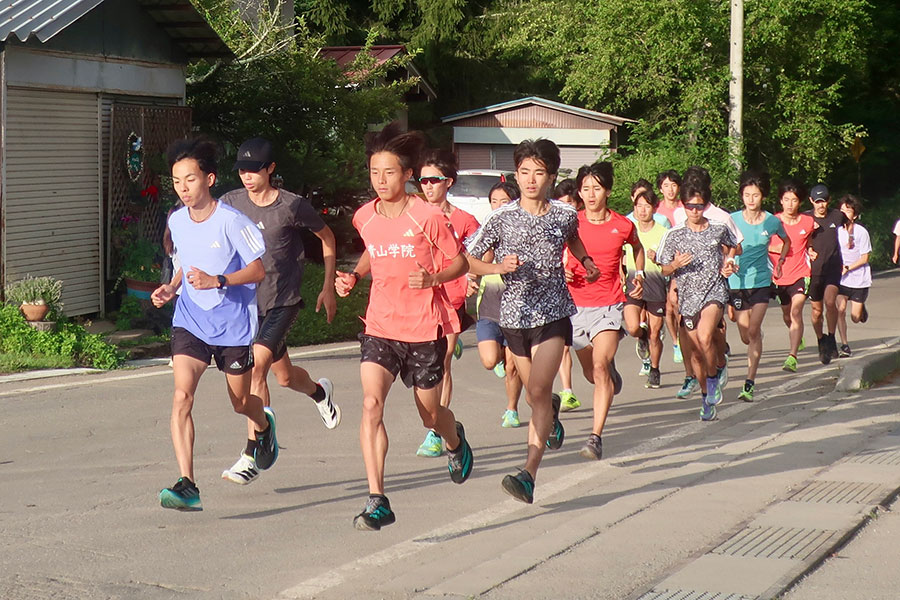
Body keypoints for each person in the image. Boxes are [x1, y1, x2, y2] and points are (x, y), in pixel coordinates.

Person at [334, 123, 474, 531]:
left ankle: (454, 439)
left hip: (424, 328)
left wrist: (433, 279)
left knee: (430, 416)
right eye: (374, 172)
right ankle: (377, 498)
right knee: (370, 404)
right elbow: (372, 253)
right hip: (380, 325)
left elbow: (460, 263)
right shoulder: (365, 216)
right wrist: (354, 277)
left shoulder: (428, 217)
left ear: (407, 174)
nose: (380, 181)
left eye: (389, 172)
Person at [465, 138, 599, 503]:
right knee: (534, 396)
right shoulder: (501, 218)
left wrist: (585, 262)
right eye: (524, 172)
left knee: (538, 390)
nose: (530, 179)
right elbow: (470, 258)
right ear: (516, 174)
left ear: (551, 176)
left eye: (538, 172)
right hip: (513, 317)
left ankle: (528, 474)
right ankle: (550, 411)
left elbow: (574, 241)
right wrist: (496, 267)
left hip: (554, 313)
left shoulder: (564, 214)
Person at [151, 138, 277, 511]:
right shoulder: (176, 220)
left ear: (209, 178)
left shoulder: (232, 221)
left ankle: (264, 425)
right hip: (190, 320)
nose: (183, 189)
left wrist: (218, 280)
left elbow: (258, 270)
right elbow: (182, 264)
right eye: (176, 182)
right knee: (181, 396)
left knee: (240, 403)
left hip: (233, 327)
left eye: (190, 180)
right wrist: (170, 289)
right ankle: (188, 484)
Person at [218, 137, 341, 485]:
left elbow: (328, 238)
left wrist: (327, 286)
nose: (247, 176)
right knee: (284, 377)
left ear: (270, 169)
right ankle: (320, 392)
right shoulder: (230, 202)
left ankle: (253, 452)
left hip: (282, 300)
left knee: (257, 365)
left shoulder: (292, 206)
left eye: (254, 170)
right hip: (246, 304)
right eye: (242, 170)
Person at [565, 161, 643, 460]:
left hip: (609, 304)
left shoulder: (622, 225)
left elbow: (637, 248)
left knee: (598, 367)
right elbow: (559, 253)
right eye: (585, 189)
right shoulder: (571, 223)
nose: (591, 194)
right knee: (591, 372)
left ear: (607, 191)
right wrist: (566, 273)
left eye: (596, 188)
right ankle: (609, 374)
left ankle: (595, 437)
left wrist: (637, 275)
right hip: (575, 306)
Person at [412, 148, 481, 456]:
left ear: (448, 182)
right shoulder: (412, 215)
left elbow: (480, 254)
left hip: (451, 295)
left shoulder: (465, 220)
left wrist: (471, 278)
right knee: (426, 366)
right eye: (423, 180)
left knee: (444, 361)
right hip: (419, 298)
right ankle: (443, 425)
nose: (427, 186)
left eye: (434, 180)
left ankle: (436, 431)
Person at [657, 173, 738, 421]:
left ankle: (713, 379)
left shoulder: (719, 228)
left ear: (706, 205)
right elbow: (662, 268)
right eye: (690, 206)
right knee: (695, 354)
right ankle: (705, 396)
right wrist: (675, 265)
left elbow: (733, 245)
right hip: (688, 297)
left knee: (705, 337)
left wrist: (730, 262)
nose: (694, 210)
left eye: (699, 206)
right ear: (683, 205)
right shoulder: (674, 235)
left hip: (714, 291)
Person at [728, 171, 790, 403]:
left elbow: (786, 241)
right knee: (745, 334)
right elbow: (724, 246)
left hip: (762, 282)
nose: (751, 199)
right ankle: (754, 335)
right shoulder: (732, 220)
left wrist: (781, 261)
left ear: (762, 196)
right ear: (742, 196)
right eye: (747, 195)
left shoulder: (772, 221)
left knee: (753, 331)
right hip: (737, 283)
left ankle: (749, 383)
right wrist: (728, 261)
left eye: (755, 195)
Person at [474, 181, 524, 427]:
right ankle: (499, 359)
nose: (497, 207)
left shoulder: (523, 231)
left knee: (514, 367)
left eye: (503, 202)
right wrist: (469, 279)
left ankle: (512, 408)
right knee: (489, 360)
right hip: (490, 308)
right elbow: (471, 260)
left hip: (516, 310)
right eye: (493, 202)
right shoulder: (485, 231)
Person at [623, 189, 669, 388]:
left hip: (656, 284)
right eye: (638, 206)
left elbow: (671, 265)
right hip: (633, 282)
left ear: (654, 208)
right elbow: (619, 256)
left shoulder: (664, 232)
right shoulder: (628, 229)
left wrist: (658, 259)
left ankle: (655, 369)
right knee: (633, 327)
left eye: (646, 206)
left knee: (655, 332)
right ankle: (640, 338)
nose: (642, 211)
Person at [768, 179, 814, 373]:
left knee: (796, 312)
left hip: (801, 273)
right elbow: (760, 244)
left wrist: (811, 250)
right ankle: (797, 335)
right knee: (787, 315)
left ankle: (792, 357)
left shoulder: (807, 221)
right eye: (786, 200)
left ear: (800, 202)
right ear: (781, 201)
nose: (789, 204)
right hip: (779, 277)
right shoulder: (772, 221)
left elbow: (809, 240)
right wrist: (774, 248)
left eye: (793, 200)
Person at [804, 184, 846, 364]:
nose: (821, 205)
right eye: (818, 201)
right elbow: (795, 239)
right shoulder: (805, 218)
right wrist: (808, 249)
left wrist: (850, 242)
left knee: (830, 302)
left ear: (829, 200)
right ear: (812, 201)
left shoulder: (837, 216)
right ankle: (821, 339)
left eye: (824, 201)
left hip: (833, 267)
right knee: (816, 311)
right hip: (813, 271)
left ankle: (831, 338)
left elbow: (849, 226)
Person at [552, 179, 581, 411]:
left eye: (570, 203)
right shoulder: (553, 228)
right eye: (561, 203)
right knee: (563, 346)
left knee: (594, 356)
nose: (566, 208)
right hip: (561, 296)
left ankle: (604, 370)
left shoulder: (580, 227)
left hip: (588, 296)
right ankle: (567, 391)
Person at [836, 195, 871, 356]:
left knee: (855, 317)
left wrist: (848, 267)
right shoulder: (836, 231)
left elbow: (865, 257)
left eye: (848, 211)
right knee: (840, 309)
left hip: (859, 279)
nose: (844, 213)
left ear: (855, 214)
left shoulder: (861, 232)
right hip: (841, 279)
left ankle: (861, 308)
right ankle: (844, 345)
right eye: (841, 210)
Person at [656, 170, 684, 366]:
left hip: (680, 261)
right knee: (667, 306)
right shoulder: (655, 209)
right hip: (661, 261)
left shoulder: (685, 208)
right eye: (666, 185)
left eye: (673, 185)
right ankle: (676, 342)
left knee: (675, 302)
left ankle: (684, 339)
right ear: (660, 189)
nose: (670, 190)